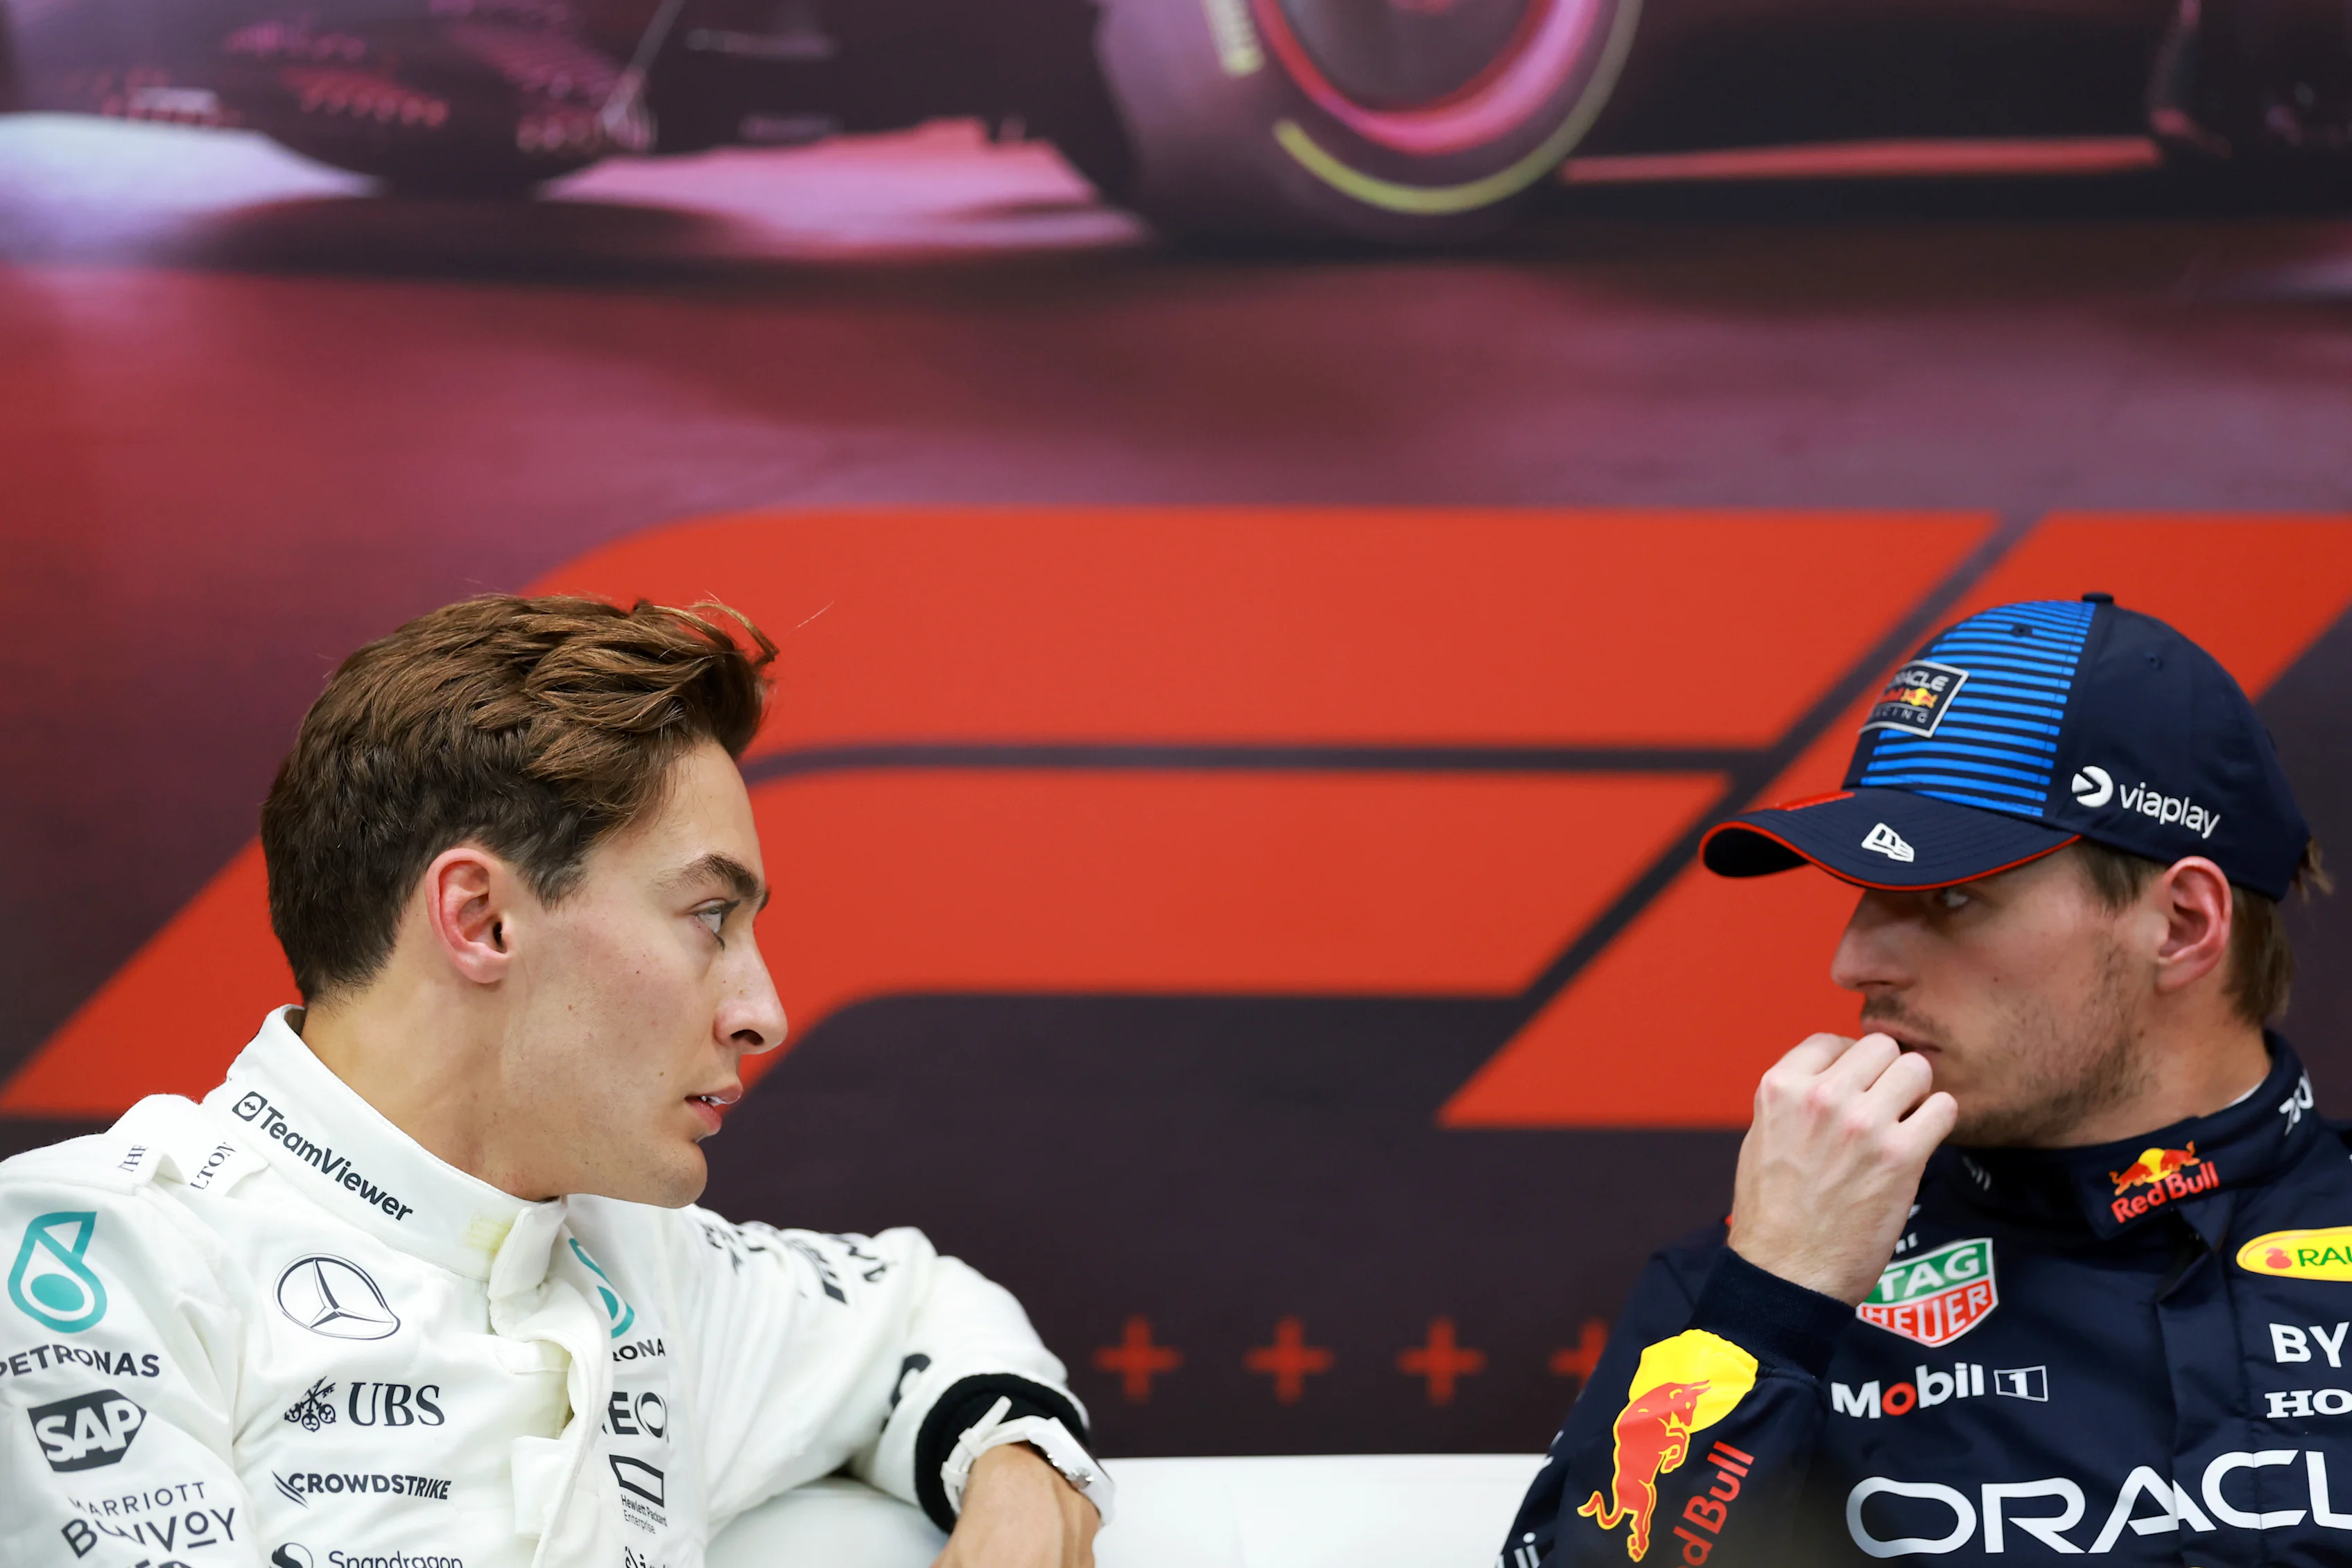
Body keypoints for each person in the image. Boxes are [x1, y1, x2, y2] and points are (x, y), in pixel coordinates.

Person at [1, 595, 1109, 1568]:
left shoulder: (650, 1266)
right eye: (709, 918)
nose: (763, 1012)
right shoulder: (99, 1261)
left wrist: (1021, 1481)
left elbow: (921, 1306)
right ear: (481, 918)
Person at [1503, 593, 2342, 1565]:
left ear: (2184, 924)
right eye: (1867, 892)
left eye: (1951, 895)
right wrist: (1775, 1301)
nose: (1854, 961)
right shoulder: (1744, 1289)